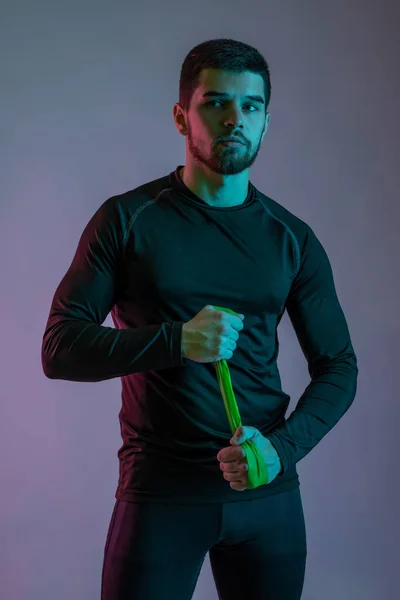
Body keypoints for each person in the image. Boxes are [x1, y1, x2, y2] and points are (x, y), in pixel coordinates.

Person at [41, 38, 358, 600]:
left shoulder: (291, 238)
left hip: (266, 491)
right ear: (182, 116)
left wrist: (280, 450)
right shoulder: (128, 219)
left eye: (251, 106)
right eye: (216, 103)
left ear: (265, 121)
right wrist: (176, 341)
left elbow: (339, 367)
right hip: (161, 495)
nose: (235, 119)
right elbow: (60, 348)